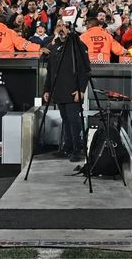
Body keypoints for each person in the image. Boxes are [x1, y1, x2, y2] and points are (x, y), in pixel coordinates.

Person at [43, 21, 91, 162]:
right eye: (59, 26)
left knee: (74, 120)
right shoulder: (53, 46)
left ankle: (77, 149)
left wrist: (81, 89)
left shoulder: (77, 45)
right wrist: (47, 89)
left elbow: (86, 69)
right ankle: (67, 147)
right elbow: (50, 70)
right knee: (66, 120)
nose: (61, 28)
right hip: (58, 90)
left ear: (70, 29)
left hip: (72, 90)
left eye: (64, 26)